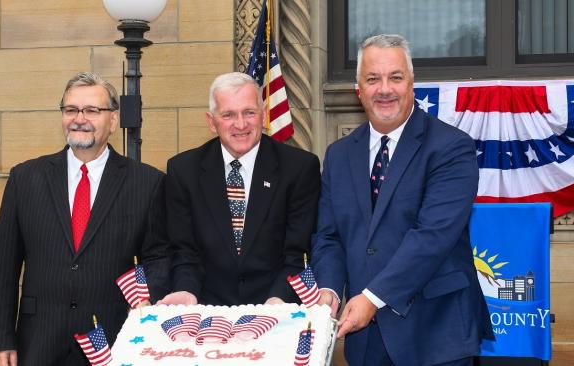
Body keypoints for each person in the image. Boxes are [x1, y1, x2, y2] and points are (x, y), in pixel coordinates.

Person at [311, 34, 494, 366]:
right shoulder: (338, 155)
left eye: (395, 77)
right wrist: (330, 292)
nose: (384, 89)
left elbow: (433, 236)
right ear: (358, 89)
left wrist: (371, 297)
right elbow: (329, 236)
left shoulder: (452, 147)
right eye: (372, 79)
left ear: (412, 84)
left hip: (436, 335)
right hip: (366, 342)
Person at [0, 72, 170, 365]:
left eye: (92, 110)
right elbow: (3, 267)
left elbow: (158, 258)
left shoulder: (147, 182)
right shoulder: (25, 178)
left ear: (112, 120)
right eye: (71, 109)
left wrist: (146, 300)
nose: (79, 118)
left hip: (114, 339)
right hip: (38, 341)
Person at [158, 72, 320, 306]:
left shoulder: (299, 168)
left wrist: (279, 299)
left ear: (263, 115)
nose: (241, 124)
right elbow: (184, 251)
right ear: (211, 122)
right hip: (208, 313)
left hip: (276, 311)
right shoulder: (183, 171)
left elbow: (298, 253)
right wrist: (186, 291)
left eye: (249, 112)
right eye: (228, 115)